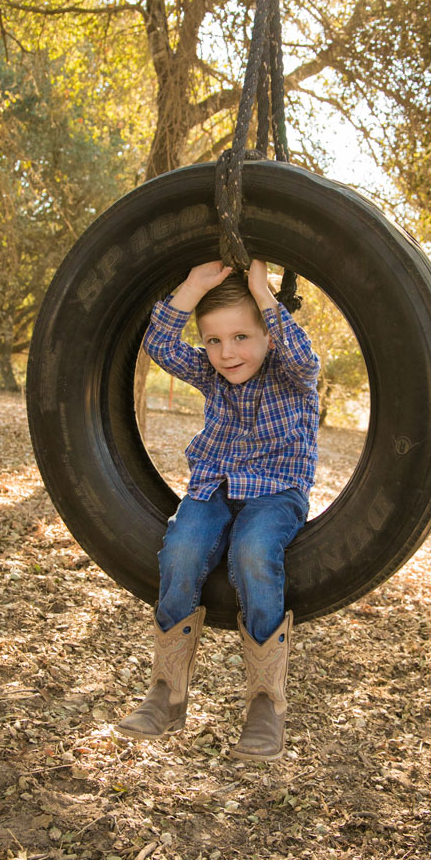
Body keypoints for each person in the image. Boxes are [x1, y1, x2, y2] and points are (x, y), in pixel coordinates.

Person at [116, 259, 320, 761]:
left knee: (253, 551)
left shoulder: (291, 371)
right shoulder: (212, 373)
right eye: (213, 341)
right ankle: (167, 691)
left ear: (268, 335)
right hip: (214, 487)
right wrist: (190, 286)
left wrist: (261, 294)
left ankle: (265, 703)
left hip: (276, 491)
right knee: (181, 548)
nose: (227, 353)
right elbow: (160, 345)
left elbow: (304, 356)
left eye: (242, 337)